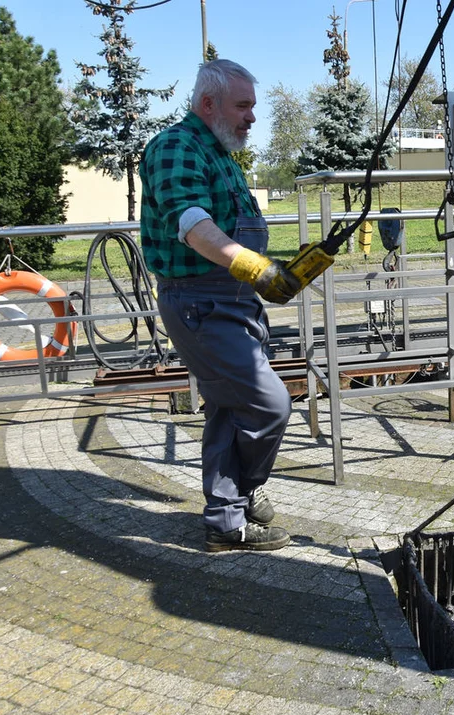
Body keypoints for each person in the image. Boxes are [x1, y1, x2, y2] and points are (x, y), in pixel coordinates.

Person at [139, 59, 300, 552]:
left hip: (231, 299)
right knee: (269, 403)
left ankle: (226, 521)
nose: (252, 117)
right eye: (243, 106)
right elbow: (192, 223)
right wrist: (255, 269)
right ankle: (243, 496)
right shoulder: (175, 148)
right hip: (198, 302)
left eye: (253, 106)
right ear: (209, 104)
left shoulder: (221, 155)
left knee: (231, 408)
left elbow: (230, 228)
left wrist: (283, 270)